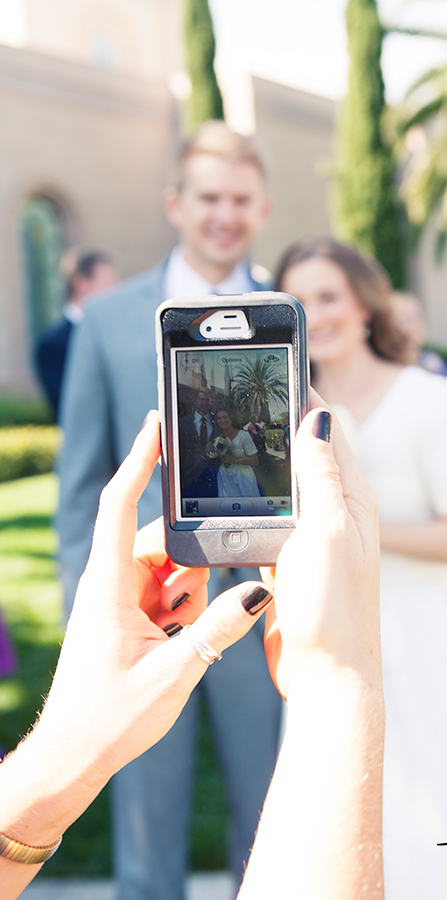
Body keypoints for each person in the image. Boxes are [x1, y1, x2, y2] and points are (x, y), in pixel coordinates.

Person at [0, 408, 385, 900]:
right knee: (150, 798)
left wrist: (63, 757)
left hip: (191, 591)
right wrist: (339, 678)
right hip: (160, 589)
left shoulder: (245, 435)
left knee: (257, 775)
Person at [276, 238, 447, 899]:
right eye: (300, 301)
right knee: (342, 811)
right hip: (326, 638)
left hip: (426, 630)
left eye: (329, 296)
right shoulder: (283, 412)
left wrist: (357, 526)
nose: (317, 313)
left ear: (366, 302)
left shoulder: (425, 397)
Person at [56, 121, 279, 899]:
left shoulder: (289, 320)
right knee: (146, 812)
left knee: (273, 805)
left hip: (266, 606)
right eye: (210, 196)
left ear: (263, 207)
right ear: (175, 203)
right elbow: (81, 481)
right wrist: (80, 605)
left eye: (241, 199)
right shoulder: (111, 319)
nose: (225, 213)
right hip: (147, 611)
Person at [35, 249, 118, 420]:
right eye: (109, 282)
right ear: (82, 284)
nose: (117, 288)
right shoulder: (53, 343)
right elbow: (66, 404)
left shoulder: (118, 332)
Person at [391, 291, 447, 376]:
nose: (417, 323)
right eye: (408, 319)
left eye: (418, 315)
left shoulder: (434, 363)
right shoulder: (387, 366)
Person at [179, 386, 218, 497]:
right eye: (201, 399)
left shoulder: (218, 422)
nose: (204, 402)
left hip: (213, 475)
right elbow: (180, 452)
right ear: (195, 401)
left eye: (207, 399)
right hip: (190, 475)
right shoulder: (183, 423)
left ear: (211, 401)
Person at [215, 408, 261, 498]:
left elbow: (255, 460)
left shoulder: (243, 435)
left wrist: (232, 460)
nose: (222, 421)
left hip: (243, 475)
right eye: (219, 418)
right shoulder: (218, 439)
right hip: (225, 475)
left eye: (225, 417)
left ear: (231, 418)